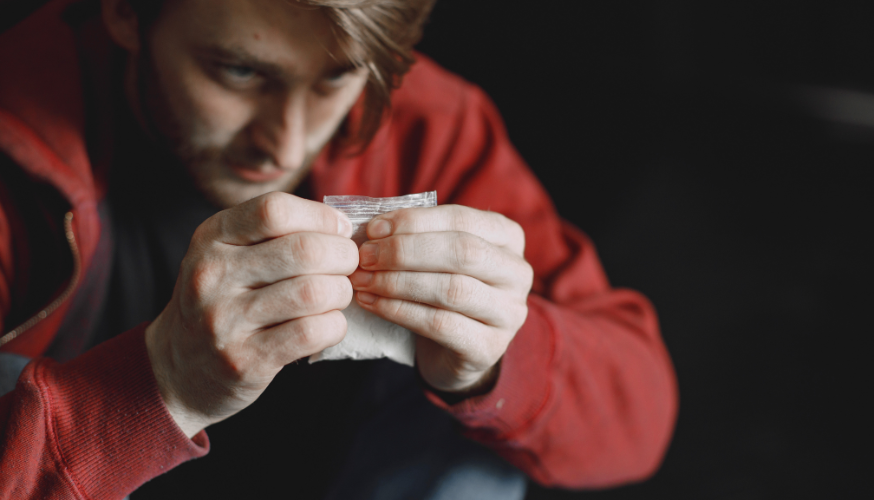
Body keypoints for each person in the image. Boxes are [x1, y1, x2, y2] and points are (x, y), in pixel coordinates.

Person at [0, 0, 679, 498]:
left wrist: (496, 362)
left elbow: (639, 418)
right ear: (125, 13)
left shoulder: (422, 123)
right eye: (238, 72)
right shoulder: (15, 142)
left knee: (479, 384)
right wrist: (157, 387)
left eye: (334, 78)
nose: (288, 143)